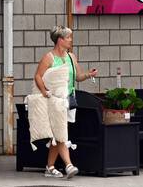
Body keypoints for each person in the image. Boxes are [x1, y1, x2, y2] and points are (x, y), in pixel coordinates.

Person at [33, 26, 98, 178]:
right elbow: (38, 76)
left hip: (68, 99)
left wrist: (88, 74)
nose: (70, 40)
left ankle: (50, 167)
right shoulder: (49, 57)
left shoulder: (71, 57)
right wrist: (44, 91)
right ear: (60, 40)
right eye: (68, 37)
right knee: (60, 131)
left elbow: (78, 76)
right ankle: (69, 165)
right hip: (54, 100)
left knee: (58, 131)